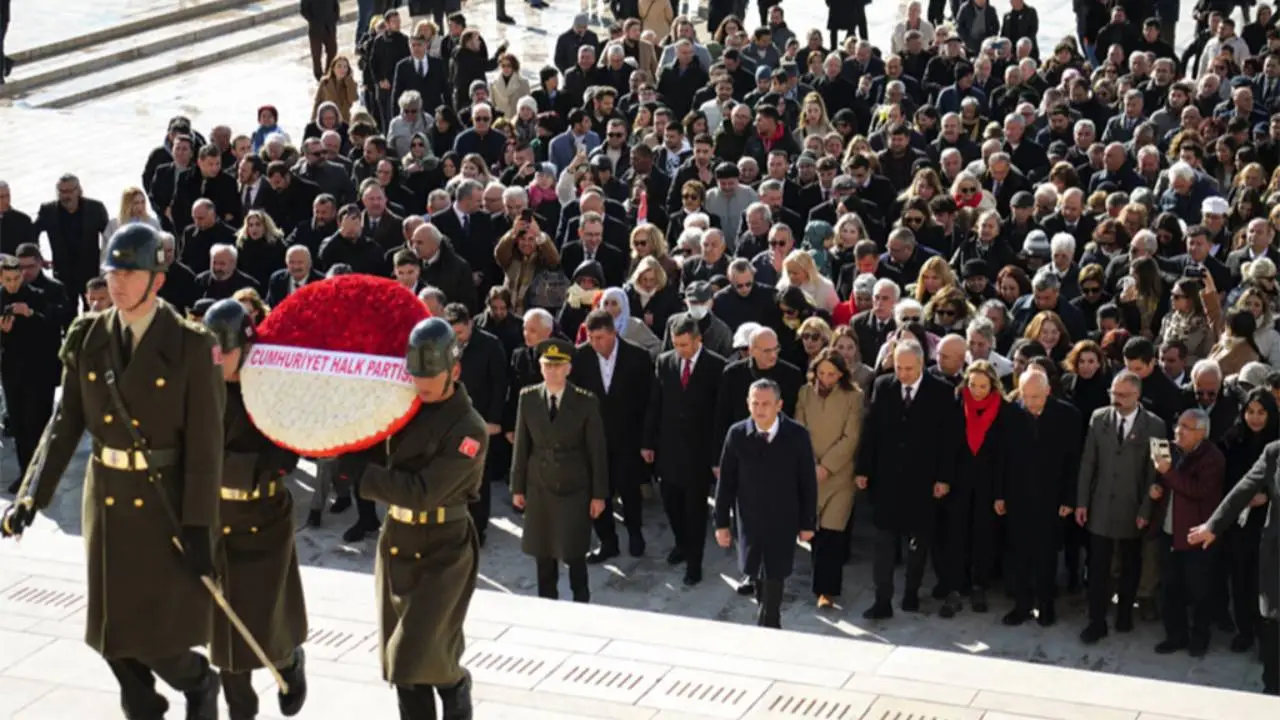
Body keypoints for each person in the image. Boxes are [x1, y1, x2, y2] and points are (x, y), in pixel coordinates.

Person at [1, 223, 227, 719]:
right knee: (108, 632)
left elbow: (207, 448)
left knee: (152, 636)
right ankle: (144, 708)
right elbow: (64, 425)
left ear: (158, 280)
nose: (118, 283)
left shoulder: (192, 345)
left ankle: (198, 682)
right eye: (112, 272)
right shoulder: (89, 336)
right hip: (106, 498)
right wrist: (30, 499)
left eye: (130, 272)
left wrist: (198, 526)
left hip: (163, 504)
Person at [342, 317, 488, 719]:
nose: (418, 387)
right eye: (415, 377)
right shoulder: (403, 406)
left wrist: (364, 476)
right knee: (404, 667)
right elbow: (378, 448)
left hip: (444, 547)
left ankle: (456, 686)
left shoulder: (469, 428)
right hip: (399, 540)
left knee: (417, 651)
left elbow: (423, 492)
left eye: (429, 379)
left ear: (454, 372)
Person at [201, 298, 308, 718]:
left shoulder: (269, 390)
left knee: (264, 618)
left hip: (262, 517)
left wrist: (221, 466)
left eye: (223, 352)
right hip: (214, 518)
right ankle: (240, 711)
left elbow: (284, 458)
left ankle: (287, 660)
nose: (216, 361)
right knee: (224, 631)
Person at [856, 339, 962, 620]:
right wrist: (863, 469)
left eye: (909, 368)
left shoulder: (941, 392)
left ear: (921, 365)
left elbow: (948, 442)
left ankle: (911, 593)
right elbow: (872, 431)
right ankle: (882, 600)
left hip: (923, 481)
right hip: (887, 480)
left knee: (918, 543)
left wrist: (944, 479)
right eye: (899, 367)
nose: (903, 374)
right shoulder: (884, 386)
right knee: (884, 543)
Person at [510, 338, 609, 602]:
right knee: (544, 555)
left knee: (575, 553)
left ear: (568, 368)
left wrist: (599, 494)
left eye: (558, 366)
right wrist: (517, 487)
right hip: (540, 485)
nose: (552, 371)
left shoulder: (585, 402)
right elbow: (521, 445)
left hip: (573, 485)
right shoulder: (528, 398)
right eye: (547, 365)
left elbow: (596, 451)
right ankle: (547, 605)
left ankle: (581, 603)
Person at [714, 378, 819, 628]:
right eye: (755, 403)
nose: (760, 409)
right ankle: (767, 615)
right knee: (756, 569)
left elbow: (807, 483)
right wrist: (721, 523)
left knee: (775, 571)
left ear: (779, 405)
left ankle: (770, 621)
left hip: (783, 518)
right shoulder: (737, 434)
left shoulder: (796, 435)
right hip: (750, 518)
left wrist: (808, 523)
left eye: (766, 404)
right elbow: (726, 482)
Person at [1076, 370, 1164, 644]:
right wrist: (1082, 501)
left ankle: (1125, 612)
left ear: (1137, 395)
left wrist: (1146, 509)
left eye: (1123, 395)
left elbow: (1155, 472)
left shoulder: (1155, 425)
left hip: (1132, 506)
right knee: (1099, 566)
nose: (1117, 399)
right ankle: (1096, 619)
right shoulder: (1098, 418)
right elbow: (1088, 462)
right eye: (1114, 393)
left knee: (1130, 564)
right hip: (1101, 505)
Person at [643, 314, 726, 585]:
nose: (680, 350)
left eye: (685, 344)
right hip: (669, 449)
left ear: (698, 340)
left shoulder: (716, 367)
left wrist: (717, 457)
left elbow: (719, 417)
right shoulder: (665, 362)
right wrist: (648, 442)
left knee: (695, 511)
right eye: (676, 344)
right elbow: (655, 404)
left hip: (699, 453)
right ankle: (681, 544)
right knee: (671, 503)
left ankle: (695, 562)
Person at [999, 369, 1081, 627]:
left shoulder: (1068, 416)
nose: (1031, 403)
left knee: (1046, 555)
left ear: (1048, 391)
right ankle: (1022, 604)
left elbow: (1074, 462)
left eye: (1036, 396)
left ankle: (1046, 604)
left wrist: (1069, 498)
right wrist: (999, 495)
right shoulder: (1011, 413)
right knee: (1019, 553)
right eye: (1026, 396)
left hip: (1052, 498)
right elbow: (1001, 459)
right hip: (1018, 496)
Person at [570, 309, 653, 561]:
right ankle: (607, 542)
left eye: (601, 338)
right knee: (598, 491)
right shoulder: (581, 357)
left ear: (613, 333)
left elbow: (649, 402)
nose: (596, 343)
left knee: (629, 489)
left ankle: (635, 533)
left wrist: (646, 441)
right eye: (592, 338)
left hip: (627, 437)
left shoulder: (637, 357)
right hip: (594, 440)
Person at [794, 347, 863, 607]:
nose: (826, 378)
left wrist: (827, 466)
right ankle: (819, 583)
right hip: (809, 473)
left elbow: (851, 436)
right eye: (821, 373)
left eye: (831, 374)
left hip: (839, 476)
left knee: (833, 534)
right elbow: (798, 428)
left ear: (841, 374)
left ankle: (827, 591)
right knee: (814, 532)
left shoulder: (853, 397)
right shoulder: (804, 393)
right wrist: (810, 464)